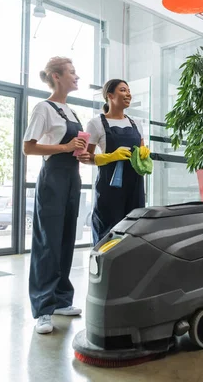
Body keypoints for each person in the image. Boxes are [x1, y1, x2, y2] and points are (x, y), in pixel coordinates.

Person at [23, 56, 87, 335]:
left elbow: (74, 145)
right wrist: (64, 148)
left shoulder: (71, 112)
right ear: (56, 76)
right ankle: (43, 309)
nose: (77, 76)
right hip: (52, 179)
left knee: (65, 240)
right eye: (72, 72)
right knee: (47, 241)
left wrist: (80, 152)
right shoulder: (43, 109)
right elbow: (28, 147)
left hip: (72, 177)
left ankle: (61, 300)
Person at [79, 79, 150, 245]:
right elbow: (84, 157)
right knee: (108, 232)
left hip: (134, 187)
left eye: (129, 90)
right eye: (123, 90)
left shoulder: (136, 123)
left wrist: (145, 155)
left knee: (134, 230)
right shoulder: (96, 123)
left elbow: (142, 151)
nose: (128, 94)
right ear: (110, 96)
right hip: (109, 188)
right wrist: (107, 157)